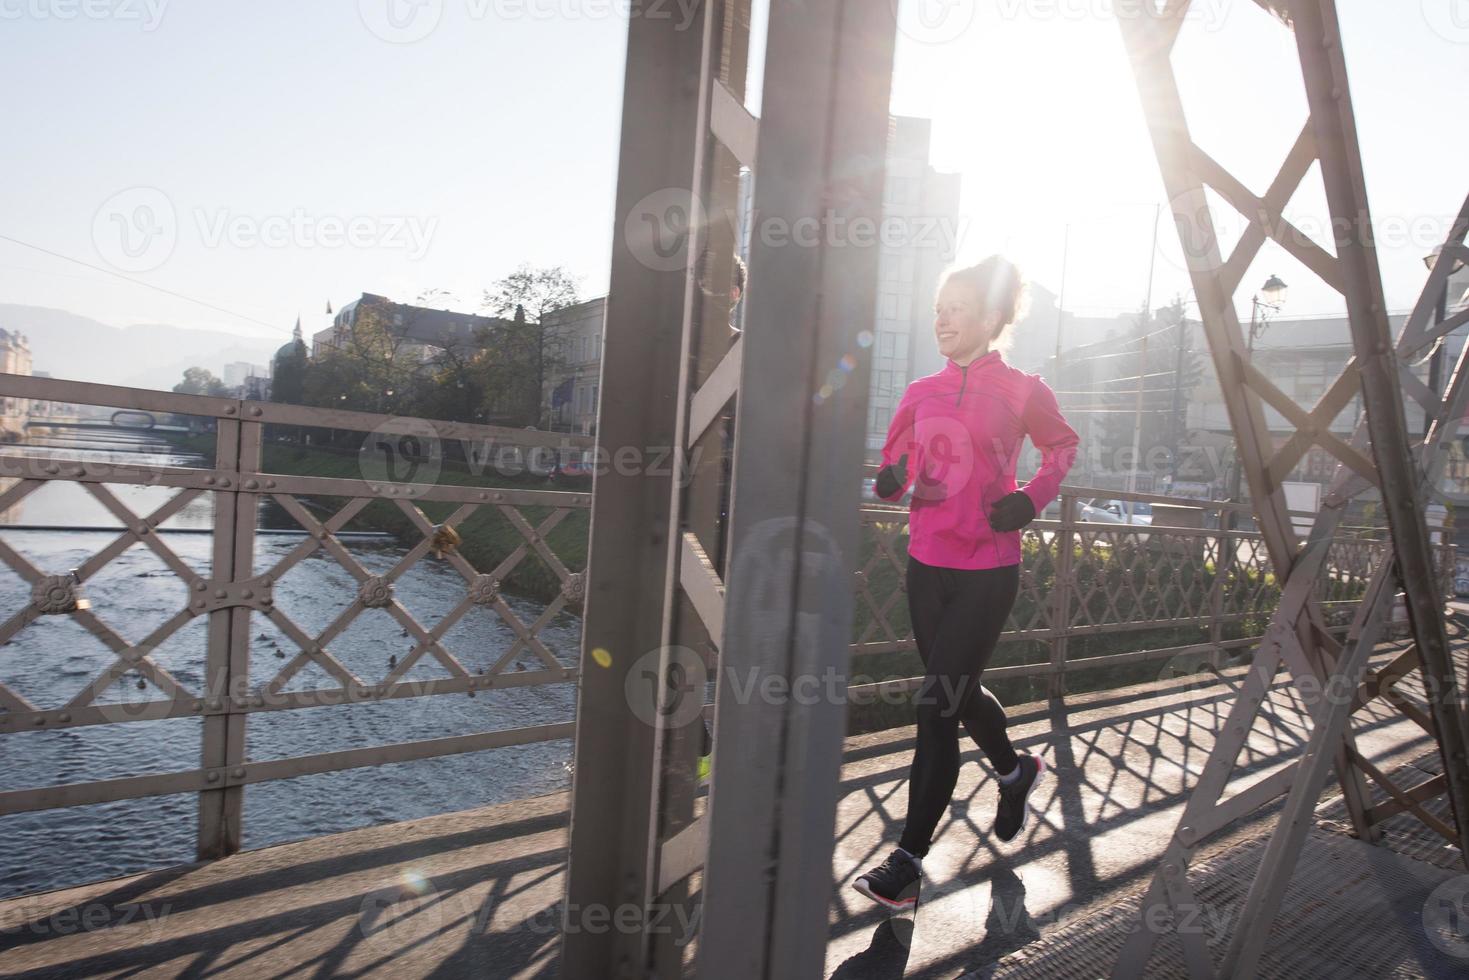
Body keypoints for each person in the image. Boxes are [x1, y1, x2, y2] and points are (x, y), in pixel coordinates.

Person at [852, 256, 1079, 911]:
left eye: (954, 308)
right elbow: (892, 465)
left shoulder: (1022, 389)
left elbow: (1061, 447)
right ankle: (1016, 771)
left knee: (935, 705)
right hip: (926, 565)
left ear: (988, 317)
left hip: (987, 570)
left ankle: (906, 861)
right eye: (937, 307)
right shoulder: (919, 391)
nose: (940, 318)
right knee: (956, 693)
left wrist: (1032, 498)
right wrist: (889, 480)